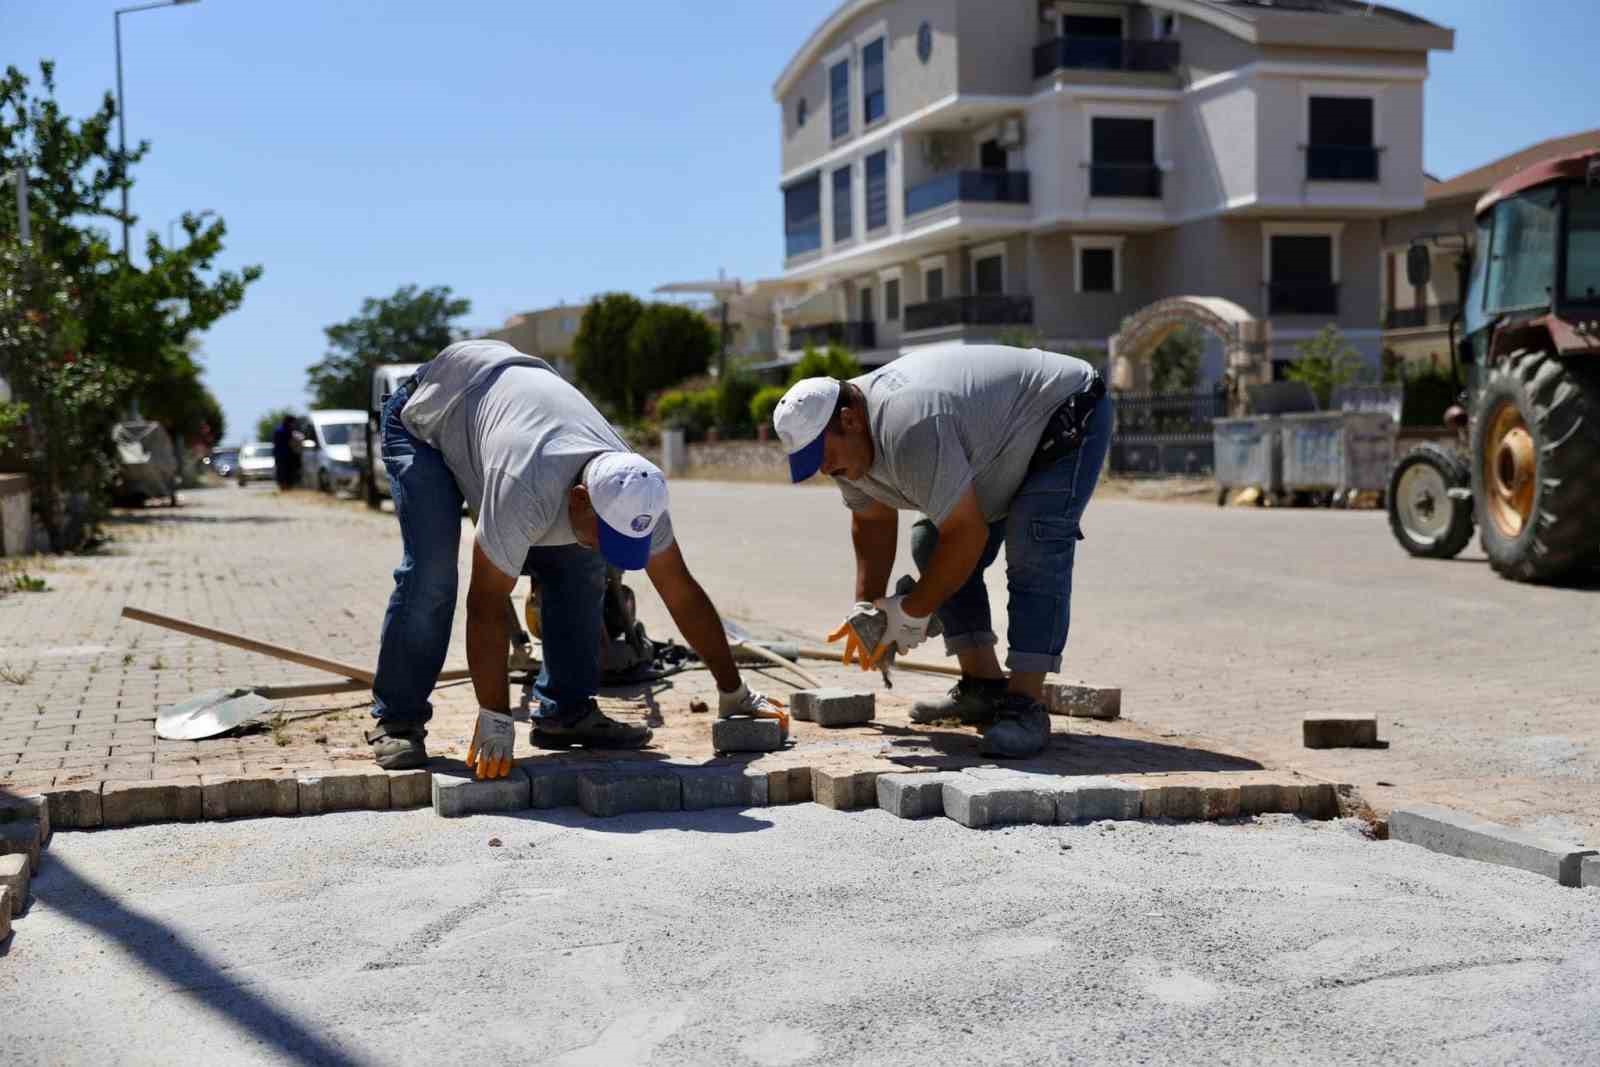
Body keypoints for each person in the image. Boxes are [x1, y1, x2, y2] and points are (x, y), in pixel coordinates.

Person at [367, 339, 780, 777]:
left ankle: (565, 712)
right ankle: (398, 719)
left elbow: (680, 590)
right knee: (433, 574)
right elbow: (485, 604)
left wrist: (733, 689)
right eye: (607, 536)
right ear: (581, 500)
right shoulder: (523, 485)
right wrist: (496, 719)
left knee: (583, 564)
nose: (611, 549)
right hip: (428, 417)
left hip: (498, 417)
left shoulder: (636, 490)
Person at [771, 344, 1111, 759]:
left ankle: (1024, 706)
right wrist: (872, 612)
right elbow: (873, 521)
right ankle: (983, 687)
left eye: (822, 457)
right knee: (930, 543)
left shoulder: (909, 426)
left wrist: (912, 613)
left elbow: (967, 536)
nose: (823, 470)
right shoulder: (846, 445)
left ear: (849, 419)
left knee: (1034, 543)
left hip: (1064, 414)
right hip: (999, 443)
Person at [271, 415, 299, 491]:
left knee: (281, 471)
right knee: (286, 471)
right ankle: (286, 487)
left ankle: (283, 486)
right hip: (285, 454)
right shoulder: (287, 430)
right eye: (293, 422)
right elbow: (290, 442)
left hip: (279, 454)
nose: (294, 424)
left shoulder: (279, 430)